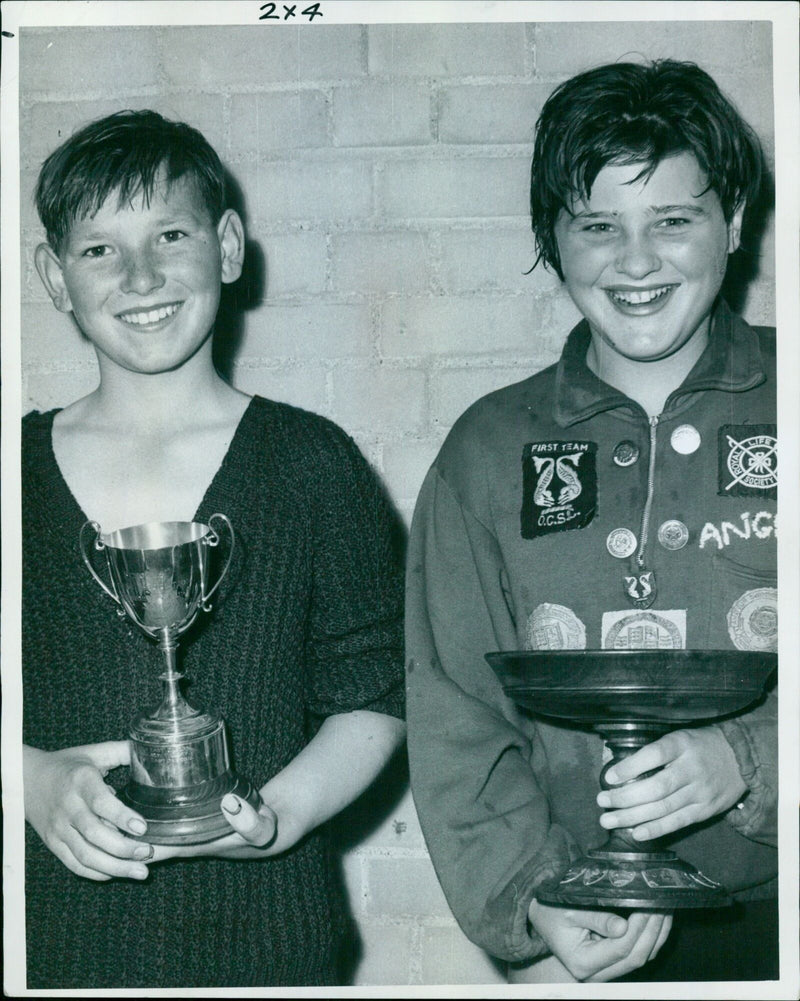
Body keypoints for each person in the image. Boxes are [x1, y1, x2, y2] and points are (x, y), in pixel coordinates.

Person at [406, 59, 777, 984]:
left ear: (732, 222)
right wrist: (532, 896)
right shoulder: (484, 451)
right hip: (586, 936)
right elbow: (455, 714)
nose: (637, 260)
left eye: (674, 222)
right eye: (598, 226)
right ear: (552, 240)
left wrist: (755, 758)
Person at [22, 110, 406, 989]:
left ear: (227, 246)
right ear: (54, 276)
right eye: (99, 250)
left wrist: (284, 812)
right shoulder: (11, 472)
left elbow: (380, 683)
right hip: (48, 943)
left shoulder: (311, 462)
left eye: (170, 233)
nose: (142, 275)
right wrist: (30, 779)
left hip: (268, 943)